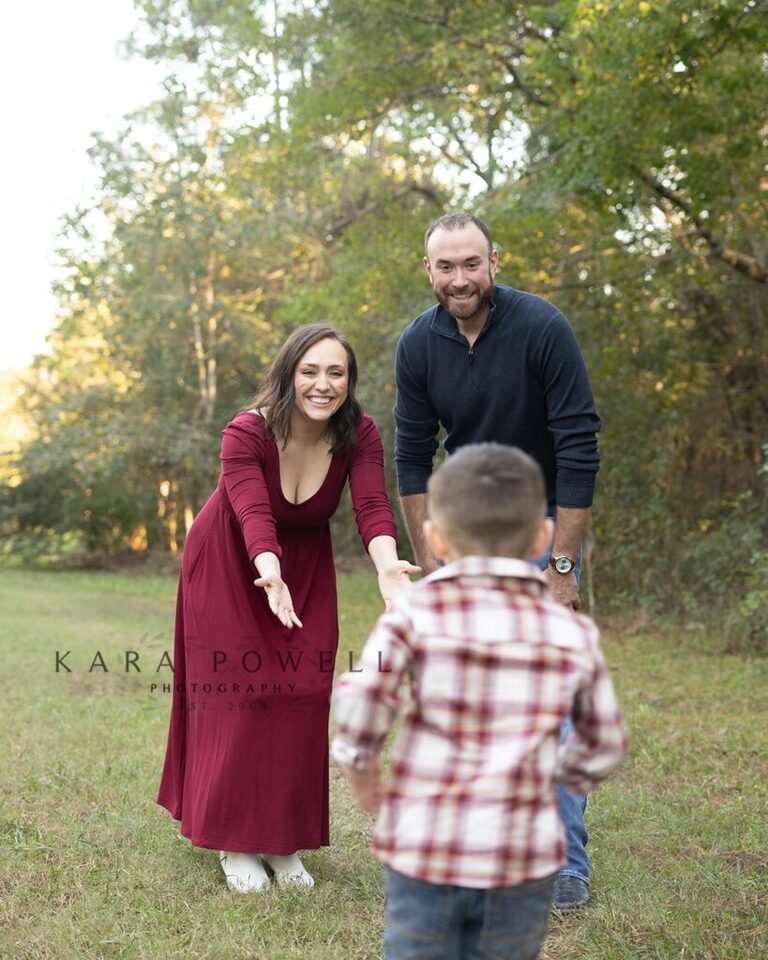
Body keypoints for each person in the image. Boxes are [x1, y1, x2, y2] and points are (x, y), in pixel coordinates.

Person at [332, 444, 627, 960]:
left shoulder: (413, 616)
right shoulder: (566, 630)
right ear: (541, 537)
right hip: (524, 857)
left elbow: (360, 700)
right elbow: (602, 742)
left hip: (424, 849)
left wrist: (368, 785)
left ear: (435, 538)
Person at [157, 323, 419, 893]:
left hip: (304, 563)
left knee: (302, 690)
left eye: (336, 373)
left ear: (349, 382)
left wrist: (387, 567)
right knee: (242, 692)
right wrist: (268, 571)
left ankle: (282, 842)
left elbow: (372, 504)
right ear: (288, 374)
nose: (323, 384)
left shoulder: (360, 434)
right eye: (310, 371)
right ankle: (234, 843)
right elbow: (251, 510)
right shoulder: (245, 431)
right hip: (232, 560)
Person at [393, 212, 602, 909]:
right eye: (446, 266)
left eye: (471, 264)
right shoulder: (418, 345)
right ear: (428, 271)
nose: (460, 278)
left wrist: (562, 568)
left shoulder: (542, 328)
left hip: (539, 525)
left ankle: (564, 860)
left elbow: (578, 443)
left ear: (494, 263)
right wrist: (430, 563)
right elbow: (412, 455)